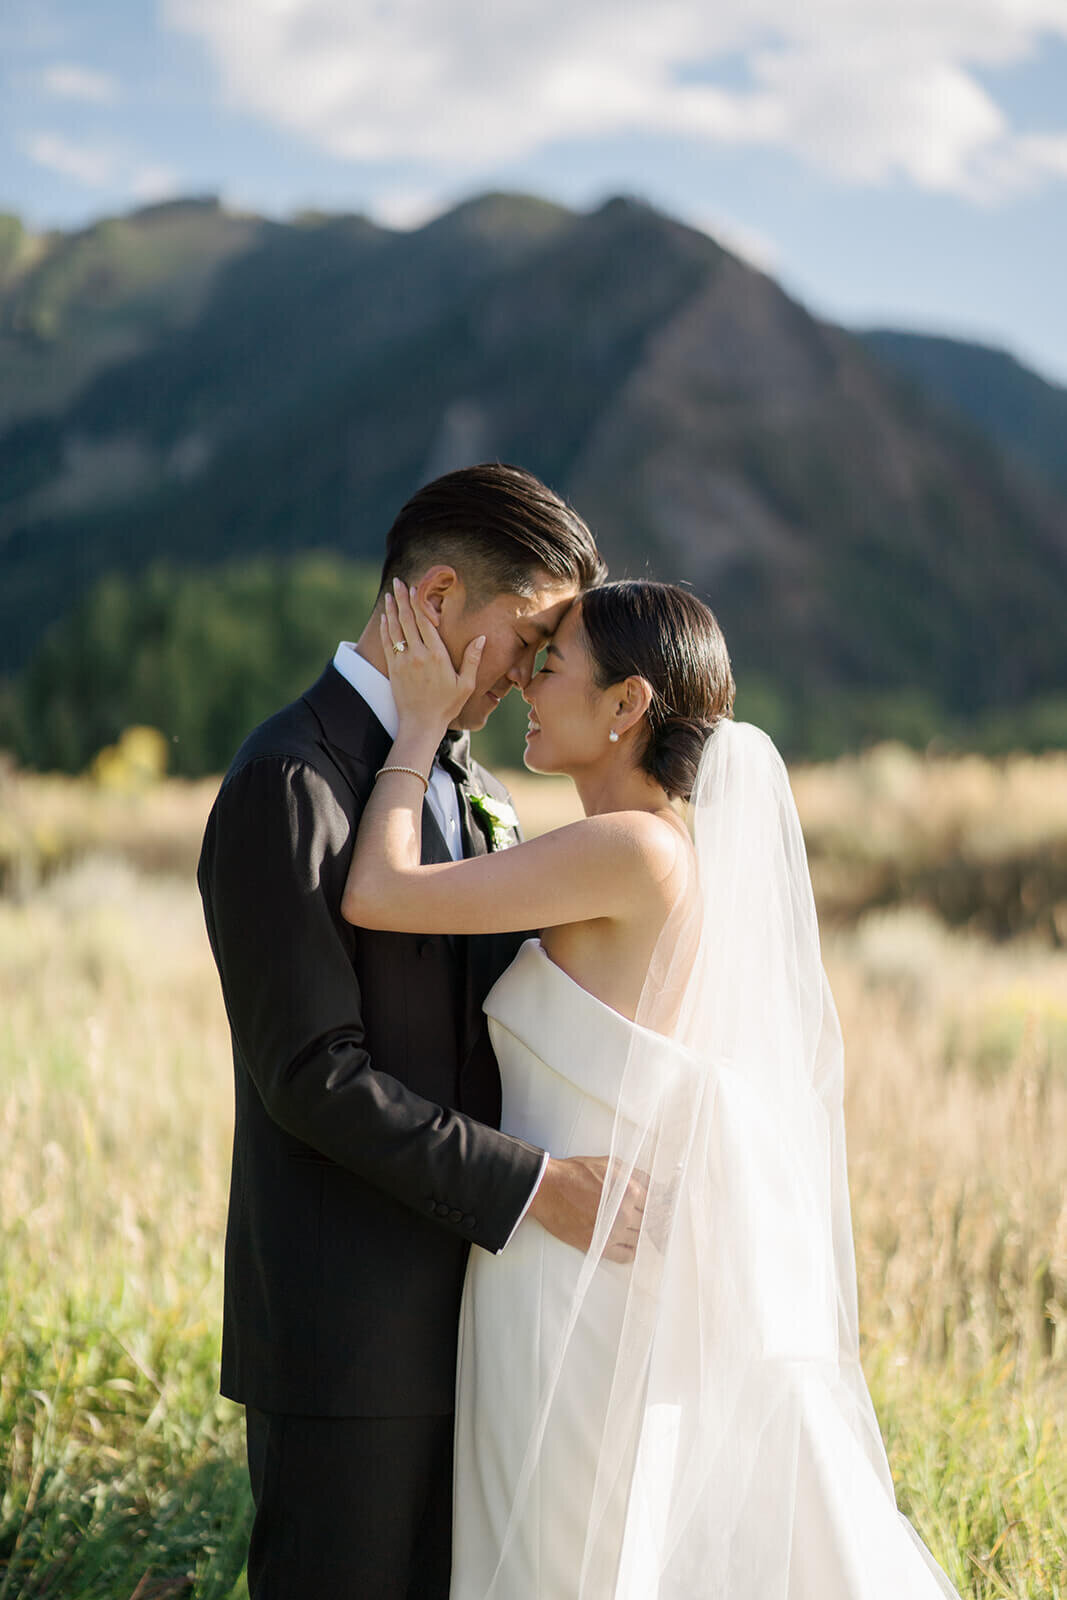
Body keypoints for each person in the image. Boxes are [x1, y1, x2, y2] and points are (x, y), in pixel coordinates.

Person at [342, 577, 962, 1599]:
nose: (527, 682)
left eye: (550, 663)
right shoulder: (646, 849)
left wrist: (415, 728)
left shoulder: (630, 848)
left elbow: (377, 893)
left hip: (570, 1281)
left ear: (627, 705)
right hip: (565, 1257)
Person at [197, 462, 645, 1600]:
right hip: (347, 1342)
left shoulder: (459, 779)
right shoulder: (289, 781)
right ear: (438, 598)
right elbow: (313, 1077)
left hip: (485, 1327)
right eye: (529, 636)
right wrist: (538, 1185)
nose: (536, 672)